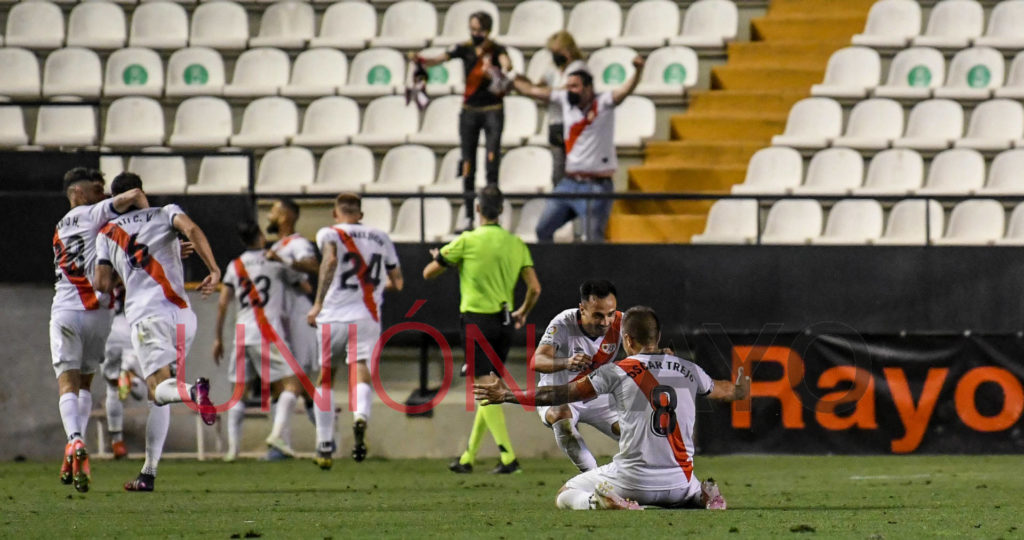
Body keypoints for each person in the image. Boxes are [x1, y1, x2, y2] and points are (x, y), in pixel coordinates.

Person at [474, 306, 751, 510]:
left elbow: (559, 393)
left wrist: (508, 395)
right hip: (679, 483)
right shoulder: (689, 369)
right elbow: (726, 391)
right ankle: (703, 495)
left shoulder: (617, 371)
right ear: (659, 336)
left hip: (633, 481)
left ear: (627, 340)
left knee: (565, 493)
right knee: (687, 481)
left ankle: (598, 501)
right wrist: (741, 388)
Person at [93, 172, 220, 492]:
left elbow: (103, 285)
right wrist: (214, 270)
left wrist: (125, 270)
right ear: (141, 191)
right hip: (183, 317)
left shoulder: (107, 232)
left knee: (159, 387)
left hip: (148, 318)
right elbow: (191, 229)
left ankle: (194, 393)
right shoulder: (166, 212)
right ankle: (148, 473)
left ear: (114, 199)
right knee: (158, 398)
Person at [422, 185, 541, 474]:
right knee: (489, 389)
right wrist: (523, 311)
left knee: (485, 389)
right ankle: (468, 458)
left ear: (477, 210)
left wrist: (446, 259)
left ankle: (508, 458)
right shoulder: (516, 243)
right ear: (501, 210)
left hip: (477, 322)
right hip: (504, 323)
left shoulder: (467, 241)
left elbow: (428, 272)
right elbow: (535, 288)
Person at [50, 167, 149, 492]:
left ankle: (75, 441)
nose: (103, 194)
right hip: (100, 314)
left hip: (66, 311)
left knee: (67, 381)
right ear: (78, 193)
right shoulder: (94, 214)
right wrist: (151, 226)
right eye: (96, 188)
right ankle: (78, 443)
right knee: (86, 384)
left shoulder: (59, 228)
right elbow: (133, 195)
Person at [306, 193, 403, 469]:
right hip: (367, 315)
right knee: (361, 371)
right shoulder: (381, 237)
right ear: (360, 214)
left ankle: (324, 444)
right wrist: (371, 288)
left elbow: (330, 261)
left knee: (326, 377)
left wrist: (317, 304)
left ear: (336, 214)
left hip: (332, 315)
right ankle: (360, 417)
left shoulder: (329, 233)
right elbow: (397, 282)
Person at [513, 57, 646, 242]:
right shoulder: (565, 100)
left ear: (588, 88)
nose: (570, 91)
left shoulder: (604, 103)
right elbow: (532, 90)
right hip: (569, 183)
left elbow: (625, 91)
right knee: (543, 229)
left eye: (575, 86)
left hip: (596, 185)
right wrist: (510, 74)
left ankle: (595, 271)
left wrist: (638, 71)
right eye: (568, 86)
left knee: (592, 239)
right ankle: (552, 269)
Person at [213, 221, 309, 462]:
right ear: (261, 236)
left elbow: (223, 302)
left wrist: (217, 338)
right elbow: (305, 284)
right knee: (293, 385)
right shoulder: (274, 262)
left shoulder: (235, 266)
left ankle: (233, 450)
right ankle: (277, 436)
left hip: (242, 332)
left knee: (240, 392)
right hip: (268, 330)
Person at [414, 11, 513, 230]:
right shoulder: (464, 48)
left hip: (492, 110)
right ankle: (468, 214)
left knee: (491, 161)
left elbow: (508, 67)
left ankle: (493, 212)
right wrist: (420, 61)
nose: (475, 33)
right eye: (473, 29)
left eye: (479, 30)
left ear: (487, 30)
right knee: (467, 163)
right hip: (469, 111)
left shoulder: (496, 50)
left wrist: (494, 71)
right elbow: (439, 59)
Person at [533, 280, 623, 472]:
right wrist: (566, 362)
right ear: (582, 309)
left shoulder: (622, 322)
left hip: (596, 394)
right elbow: (537, 361)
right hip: (559, 395)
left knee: (634, 432)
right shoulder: (563, 323)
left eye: (610, 314)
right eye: (598, 315)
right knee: (561, 417)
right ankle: (596, 481)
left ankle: (660, 480)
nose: (606, 322)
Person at [264, 198, 321, 455]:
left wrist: (284, 262)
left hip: (297, 319)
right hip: (278, 320)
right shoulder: (277, 245)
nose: (269, 215)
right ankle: (325, 441)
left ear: (286, 216)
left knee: (297, 380)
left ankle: (281, 442)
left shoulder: (297, 244)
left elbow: (312, 265)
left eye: (274, 211)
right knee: (288, 384)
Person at [538, 31, 588, 183]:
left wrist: (548, 93)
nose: (555, 56)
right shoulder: (552, 69)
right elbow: (540, 85)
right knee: (558, 175)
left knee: (576, 173)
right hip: (556, 124)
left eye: (558, 52)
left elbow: (568, 90)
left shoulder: (578, 68)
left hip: (573, 126)